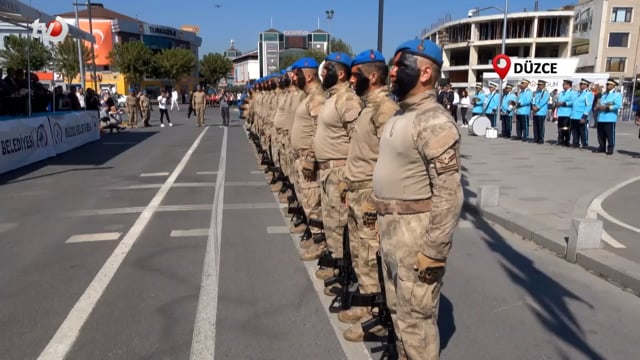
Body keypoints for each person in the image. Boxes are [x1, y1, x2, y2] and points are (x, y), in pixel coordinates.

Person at [373, 39, 463, 360]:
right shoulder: (401, 114)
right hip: (393, 229)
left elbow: (449, 193)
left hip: (415, 236)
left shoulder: (433, 120)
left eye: (400, 65)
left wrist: (434, 251)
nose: (393, 71)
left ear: (425, 72)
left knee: (416, 322)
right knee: (400, 314)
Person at [339, 49, 399, 342]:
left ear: (372, 76)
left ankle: (375, 315)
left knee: (369, 254)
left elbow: (393, 158)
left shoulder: (384, 109)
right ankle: (366, 307)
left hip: (369, 193)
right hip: (357, 189)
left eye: (355, 74)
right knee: (360, 253)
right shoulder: (367, 106)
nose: (351, 80)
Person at [289, 58, 326, 258]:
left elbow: (318, 131)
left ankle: (321, 244)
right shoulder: (306, 97)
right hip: (300, 158)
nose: (293, 78)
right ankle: (315, 237)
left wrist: (310, 158)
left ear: (309, 75)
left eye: (297, 74)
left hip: (307, 160)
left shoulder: (317, 99)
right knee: (307, 201)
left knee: (313, 204)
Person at [594, 78, 623, 155]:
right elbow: (600, 103)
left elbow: (618, 105)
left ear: (613, 85)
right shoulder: (604, 95)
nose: (607, 86)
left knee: (609, 134)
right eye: (607, 84)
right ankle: (602, 147)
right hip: (601, 117)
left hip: (610, 118)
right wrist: (598, 106)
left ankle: (610, 148)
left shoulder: (617, 95)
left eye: (609, 84)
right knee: (600, 134)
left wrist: (608, 107)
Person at [570, 79, 594, 149]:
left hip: (581, 115)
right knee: (574, 130)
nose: (581, 86)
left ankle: (584, 143)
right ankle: (576, 143)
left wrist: (584, 116)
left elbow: (588, 105)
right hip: (574, 115)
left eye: (583, 84)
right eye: (581, 84)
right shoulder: (578, 93)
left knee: (582, 130)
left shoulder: (588, 94)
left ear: (587, 86)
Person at [556, 80, 575, 146]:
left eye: (565, 84)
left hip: (567, 113)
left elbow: (573, 102)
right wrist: (557, 103)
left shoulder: (572, 92)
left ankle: (567, 141)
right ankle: (560, 140)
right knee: (560, 127)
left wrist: (564, 103)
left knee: (566, 128)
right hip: (560, 113)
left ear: (569, 85)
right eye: (563, 84)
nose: (563, 85)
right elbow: (558, 100)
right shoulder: (561, 93)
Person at [531, 80, 550, 144]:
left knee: (541, 126)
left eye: (540, 85)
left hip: (541, 111)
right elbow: (534, 99)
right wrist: (533, 105)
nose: (538, 86)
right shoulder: (537, 92)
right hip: (535, 111)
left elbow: (543, 101)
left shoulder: (546, 93)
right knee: (535, 126)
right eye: (538, 85)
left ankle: (541, 139)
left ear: (543, 85)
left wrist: (537, 107)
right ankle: (536, 138)